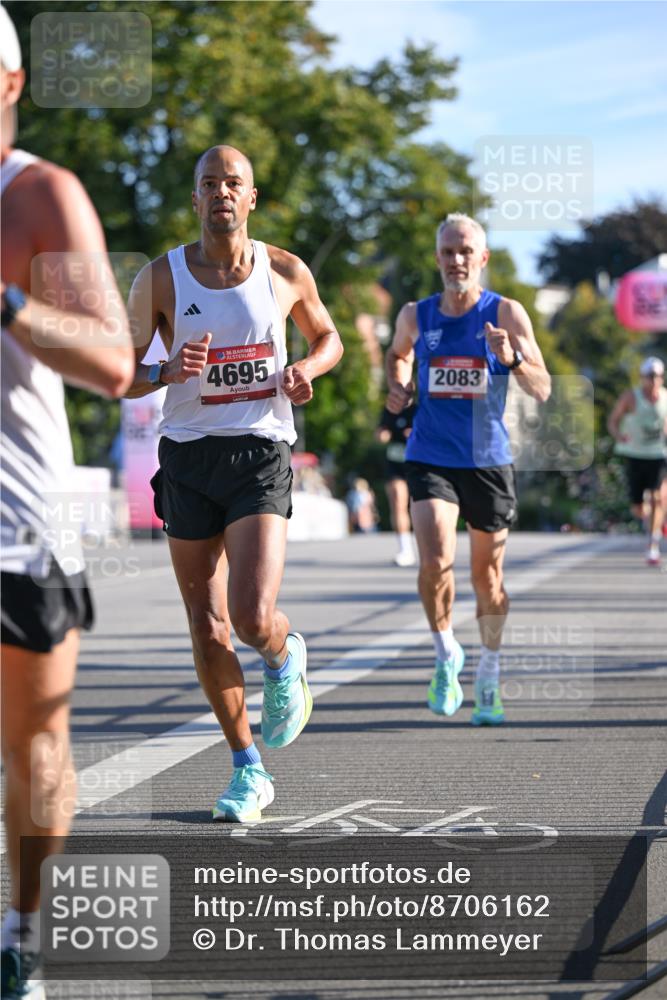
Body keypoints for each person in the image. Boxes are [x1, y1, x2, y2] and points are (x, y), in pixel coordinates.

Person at [125, 144, 343, 824]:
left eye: (234, 183)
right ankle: (248, 769)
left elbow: (329, 335)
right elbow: (121, 372)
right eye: (209, 183)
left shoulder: (283, 270)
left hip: (259, 452)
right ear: (195, 200)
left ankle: (284, 654)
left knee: (250, 617)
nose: (221, 192)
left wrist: (310, 368)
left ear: (251, 198)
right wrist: (166, 371)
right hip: (188, 457)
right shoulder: (159, 279)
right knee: (207, 625)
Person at [0, 8, 135, 998]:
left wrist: (6, 302)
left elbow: (112, 359)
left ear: (8, 87)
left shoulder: (40, 194)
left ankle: (22, 926)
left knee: (33, 744)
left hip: (18, 525)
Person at [385, 213, 551, 726]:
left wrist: (514, 360)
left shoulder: (506, 312)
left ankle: (490, 671)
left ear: (482, 259)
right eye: (448, 252)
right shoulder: (417, 315)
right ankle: (444, 653)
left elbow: (542, 388)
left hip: (488, 461)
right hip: (431, 454)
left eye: (466, 252)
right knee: (435, 560)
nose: (457, 260)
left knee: (489, 577)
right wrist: (399, 382)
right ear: (437, 259)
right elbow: (397, 355)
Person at [608, 356, 667, 565]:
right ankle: (652, 521)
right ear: (642, 378)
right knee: (639, 507)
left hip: (659, 454)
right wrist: (618, 435)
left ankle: (653, 545)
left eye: (658, 376)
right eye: (650, 376)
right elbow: (613, 421)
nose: (654, 380)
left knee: (658, 497)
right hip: (634, 454)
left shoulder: (665, 398)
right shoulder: (630, 398)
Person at [376, 402, 417, 565]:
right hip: (395, 464)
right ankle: (405, 549)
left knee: (419, 507)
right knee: (398, 503)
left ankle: (424, 545)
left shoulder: (418, 408)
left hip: (417, 462)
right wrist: (383, 434)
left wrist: (415, 434)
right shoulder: (389, 409)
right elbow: (381, 433)